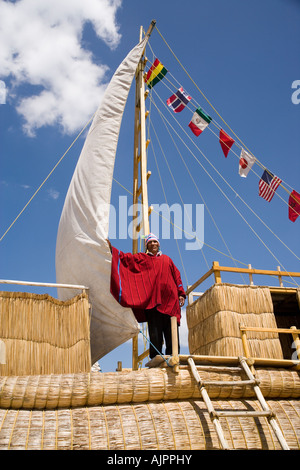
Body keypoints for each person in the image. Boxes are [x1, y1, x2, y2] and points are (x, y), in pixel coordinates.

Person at [107, 234, 186, 359]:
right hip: (153, 302)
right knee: (155, 333)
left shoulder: (167, 259)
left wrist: (181, 293)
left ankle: (174, 357)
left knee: (172, 333)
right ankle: (156, 359)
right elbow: (127, 259)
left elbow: (177, 275)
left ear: (158, 244)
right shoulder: (142, 258)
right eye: (150, 242)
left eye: (155, 242)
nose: (153, 244)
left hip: (171, 302)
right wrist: (113, 250)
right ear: (147, 246)